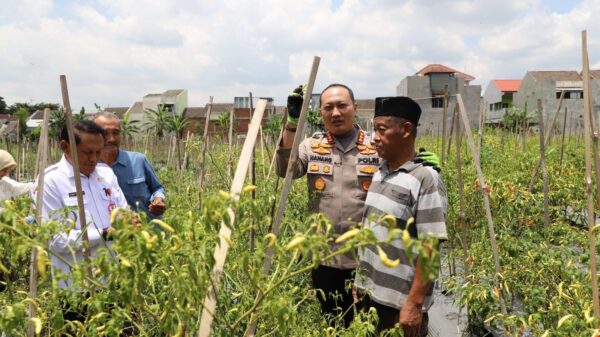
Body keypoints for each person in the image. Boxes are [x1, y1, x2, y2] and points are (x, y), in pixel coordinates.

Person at [276, 84, 439, 327]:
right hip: (324, 257)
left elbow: (404, 164)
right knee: (332, 322)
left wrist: (423, 162)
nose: (336, 113)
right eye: (328, 107)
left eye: (342, 105)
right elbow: (285, 169)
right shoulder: (313, 145)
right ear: (320, 112)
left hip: (365, 261)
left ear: (355, 107)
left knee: (365, 324)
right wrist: (291, 124)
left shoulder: (374, 147)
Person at [354, 97, 448, 336]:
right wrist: (360, 281)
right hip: (372, 298)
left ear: (406, 129)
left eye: (381, 129)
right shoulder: (380, 172)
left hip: (400, 306)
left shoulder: (426, 179)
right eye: (374, 129)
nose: (374, 137)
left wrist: (414, 304)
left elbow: (431, 247)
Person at [39, 120, 128, 290]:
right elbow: (57, 240)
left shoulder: (106, 174)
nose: (94, 159)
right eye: (87, 152)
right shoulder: (50, 182)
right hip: (77, 287)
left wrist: (128, 221)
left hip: (114, 281)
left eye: (98, 152)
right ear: (65, 147)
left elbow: (122, 211)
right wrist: (105, 234)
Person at [92, 112, 166, 220]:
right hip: (115, 234)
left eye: (116, 133)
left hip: (148, 232)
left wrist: (159, 199)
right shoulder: (89, 169)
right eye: (104, 133)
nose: (111, 139)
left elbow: (157, 188)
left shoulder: (138, 160)